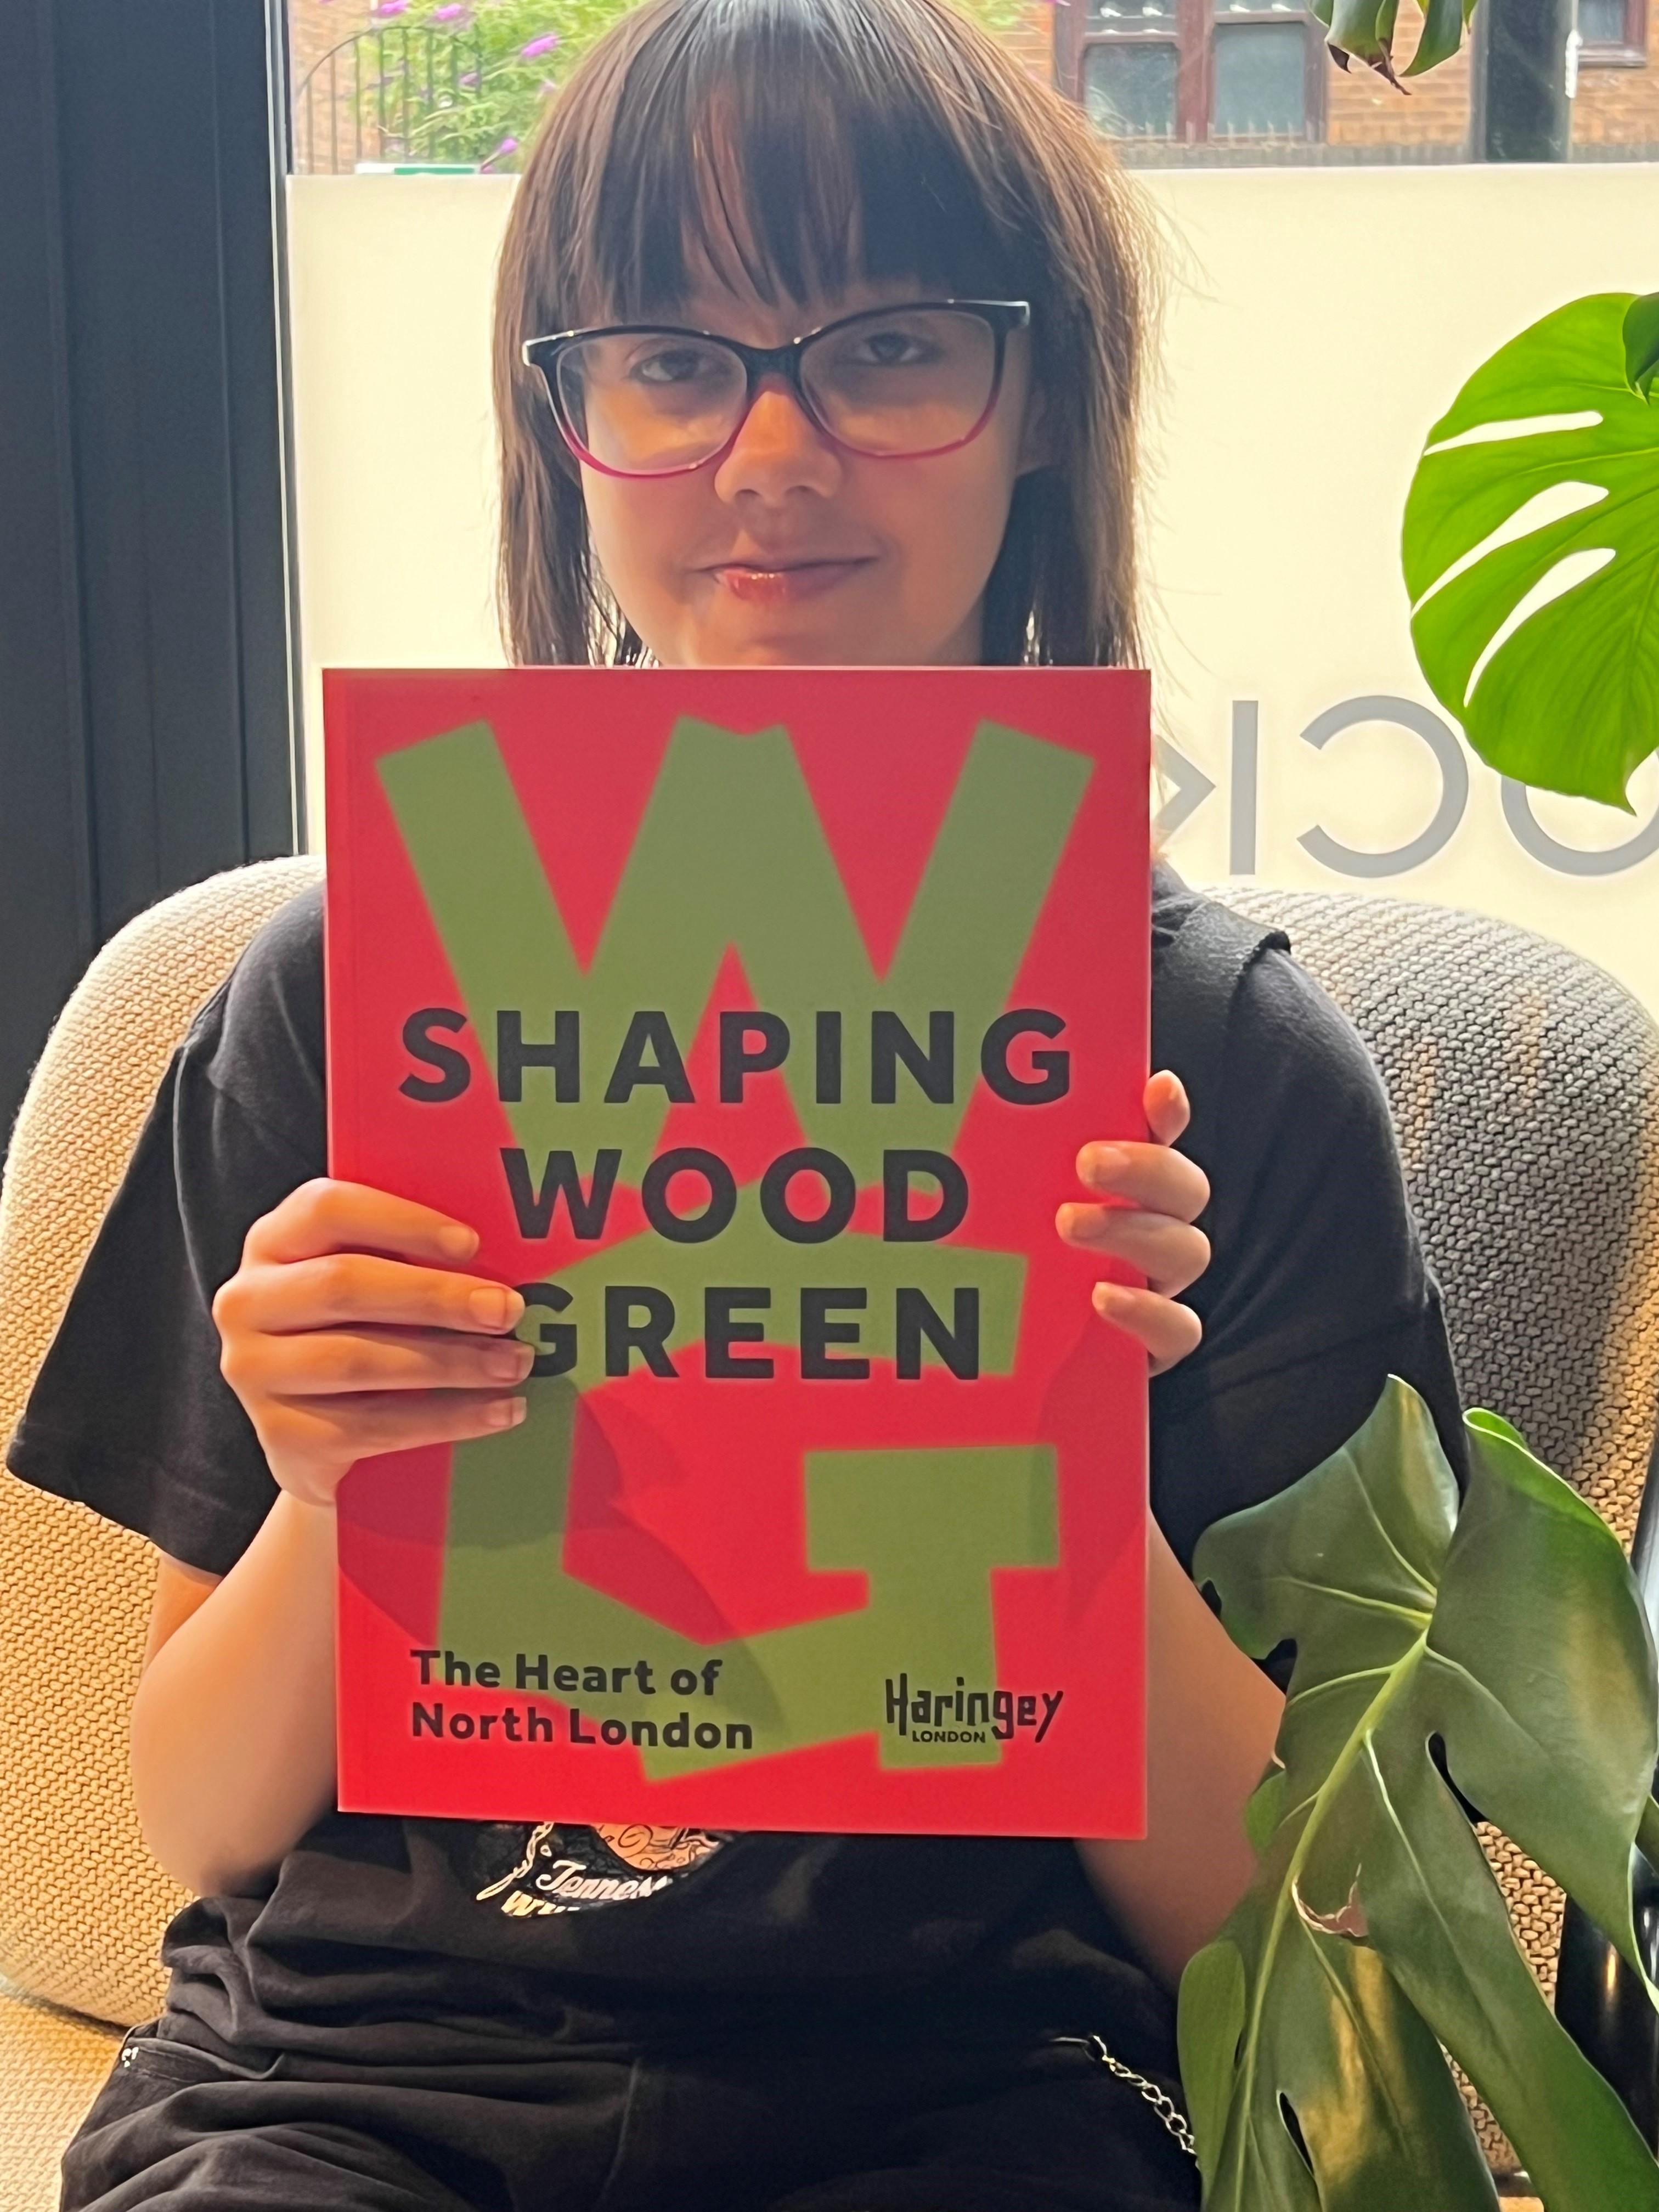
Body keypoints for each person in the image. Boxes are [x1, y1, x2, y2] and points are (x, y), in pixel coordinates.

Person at [6, 1, 1469, 2204]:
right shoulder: (344, 992)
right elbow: (200, 1825)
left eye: (886, 349)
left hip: (980, 2093)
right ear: (571, 426)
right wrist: (331, 1492)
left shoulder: (1221, 1060)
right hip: (357, 2084)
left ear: (1042, 398)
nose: (771, 451)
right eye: (672, 360)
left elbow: (1295, 1934)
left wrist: (1056, 1461)